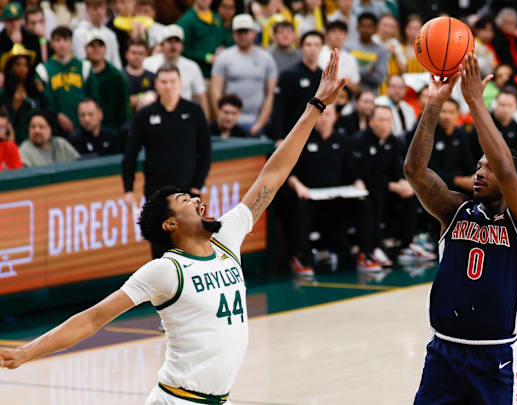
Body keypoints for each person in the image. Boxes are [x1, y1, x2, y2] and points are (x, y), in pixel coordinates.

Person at [0, 50, 349, 405]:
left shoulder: (227, 237)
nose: (199, 201)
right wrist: (26, 352)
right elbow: (92, 319)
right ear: (170, 224)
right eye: (186, 201)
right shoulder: (165, 271)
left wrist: (315, 106)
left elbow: (272, 176)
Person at [405, 54, 517, 404]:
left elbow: (508, 171)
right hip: (444, 355)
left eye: (488, 168)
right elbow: (415, 172)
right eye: (477, 166)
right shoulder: (455, 211)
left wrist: (476, 103)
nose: (480, 172)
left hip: (494, 359)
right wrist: (434, 105)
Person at [122, 63, 212, 258]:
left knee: (192, 246)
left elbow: (205, 151)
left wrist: (197, 185)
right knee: (161, 249)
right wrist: (128, 189)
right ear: (156, 84)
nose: (168, 86)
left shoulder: (194, 111)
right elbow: (130, 154)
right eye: (163, 82)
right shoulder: (145, 115)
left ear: (180, 84)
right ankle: (163, 289)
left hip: (188, 194)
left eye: (172, 82)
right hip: (157, 196)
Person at [285, 101, 380, 276]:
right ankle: (301, 257)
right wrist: (298, 187)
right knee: (300, 206)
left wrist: (358, 182)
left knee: (364, 203)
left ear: (335, 118)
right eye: (320, 115)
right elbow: (290, 174)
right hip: (311, 197)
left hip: (337, 198)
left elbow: (353, 173)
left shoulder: (344, 142)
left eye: (328, 115)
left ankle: (365, 254)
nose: (323, 119)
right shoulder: (303, 140)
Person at [352, 104, 435, 265]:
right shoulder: (359, 141)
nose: (385, 125)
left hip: (388, 188)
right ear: (371, 122)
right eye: (381, 120)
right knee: (376, 198)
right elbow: (364, 175)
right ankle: (373, 248)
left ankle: (406, 245)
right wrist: (392, 186)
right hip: (367, 190)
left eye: (388, 120)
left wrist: (404, 183)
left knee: (411, 196)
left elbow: (398, 168)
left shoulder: (394, 141)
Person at [211, 14, 278, 135]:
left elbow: (270, 94)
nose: (242, 36)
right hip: (230, 122)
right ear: (233, 34)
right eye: (238, 32)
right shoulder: (224, 57)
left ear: (253, 33)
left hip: (256, 121)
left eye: (245, 32)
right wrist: (223, 120)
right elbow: (216, 91)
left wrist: (260, 123)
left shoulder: (266, 58)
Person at [36, 26, 100, 134]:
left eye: (65, 40)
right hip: (55, 127)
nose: (61, 44)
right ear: (51, 44)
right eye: (57, 40)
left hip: (83, 125)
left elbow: (93, 97)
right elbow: (44, 102)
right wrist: (56, 115)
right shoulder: (43, 70)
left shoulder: (84, 66)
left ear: (71, 42)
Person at [143, 25, 209, 117]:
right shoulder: (148, 63)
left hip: (184, 114)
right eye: (169, 41)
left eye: (176, 42)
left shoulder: (192, 67)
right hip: (154, 113)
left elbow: (200, 97)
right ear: (162, 45)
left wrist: (205, 121)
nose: (173, 46)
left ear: (182, 46)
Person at [270, 31, 323, 141]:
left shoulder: (323, 75)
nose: (312, 49)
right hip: (291, 132)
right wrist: (278, 137)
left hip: (315, 133)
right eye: (308, 45)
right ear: (301, 48)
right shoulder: (289, 74)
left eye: (316, 45)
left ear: (321, 48)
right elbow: (279, 107)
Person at [0, 43, 47, 145]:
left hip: (38, 139)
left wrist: (42, 93)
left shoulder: (34, 89)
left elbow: (47, 110)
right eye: (18, 65)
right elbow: (4, 123)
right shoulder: (4, 94)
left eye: (25, 65)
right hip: (17, 142)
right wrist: (14, 107)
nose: (23, 69)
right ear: (11, 68)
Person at [84, 29, 130, 132]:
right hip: (84, 130)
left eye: (100, 46)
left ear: (105, 49)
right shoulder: (80, 72)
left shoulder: (116, 76)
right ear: (85, 49)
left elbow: (123, 108)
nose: (96, 49)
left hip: (111, 130)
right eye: (92, 46)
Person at [176, 0, 233, 80]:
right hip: (198, 75)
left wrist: (224, 49)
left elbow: (226, 41)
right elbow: (182, 50)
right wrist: (205, 57)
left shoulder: (217, 18)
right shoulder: (185, 21)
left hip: (219, 75)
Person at [72, 0, 122, 70]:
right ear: (87, 9)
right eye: (95, 8)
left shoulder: (110, 34)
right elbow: (80, 60)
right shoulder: (79, 33)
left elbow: (116, 63)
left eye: (102, 8)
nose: (99, 12)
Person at [346, 12, 389, 94]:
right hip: (349, 95)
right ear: (357, 27)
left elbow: (379, 79)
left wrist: (355, 73)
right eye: (363, 26)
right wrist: (368, 70)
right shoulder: (348, 47)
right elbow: (345, 73)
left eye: (369, 26)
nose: (365, 29)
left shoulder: (382, 51)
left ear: (375, 29)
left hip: (370, 97)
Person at [318, 20, 360, 94]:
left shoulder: (350, 58)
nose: (338, 36)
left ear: (346, 36)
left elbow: (356, 87)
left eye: (341, 32)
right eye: (334, 32)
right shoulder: (318, 53)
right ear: (327, 35)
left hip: (343, 97)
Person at [0, 2, 41, 69]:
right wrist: (12, 43)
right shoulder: (1, 38)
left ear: (22, 20)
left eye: (17, 20)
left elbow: (38, 61)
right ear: (4, 22)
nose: (14, 24)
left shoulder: (31, 37)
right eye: (10, 20)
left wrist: (21, 43)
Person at [124, 38, 155, 112]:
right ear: (126, 55)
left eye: (141, 53)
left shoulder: (153, 76)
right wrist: (143, 96)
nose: (137, 57)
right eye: (134, 53)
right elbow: (122, 102)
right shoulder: (120, 76)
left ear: (146, 55)